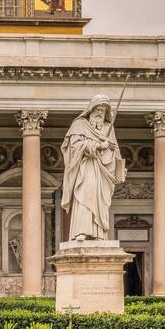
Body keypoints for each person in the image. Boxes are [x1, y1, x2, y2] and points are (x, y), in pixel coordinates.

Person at [60, 95, 127, 241]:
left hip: (102, 169)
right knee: (85, 194)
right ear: (91, 109)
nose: (99, 113)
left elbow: (114, 150)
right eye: (97, 109)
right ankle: (81, 231)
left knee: (100, 200)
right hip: (86, 167)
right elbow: (74, 146)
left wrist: (116, 162)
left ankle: (99, 233)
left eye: (103, 110)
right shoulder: (79, 124)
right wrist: (97, 145)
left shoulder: (109, 128)